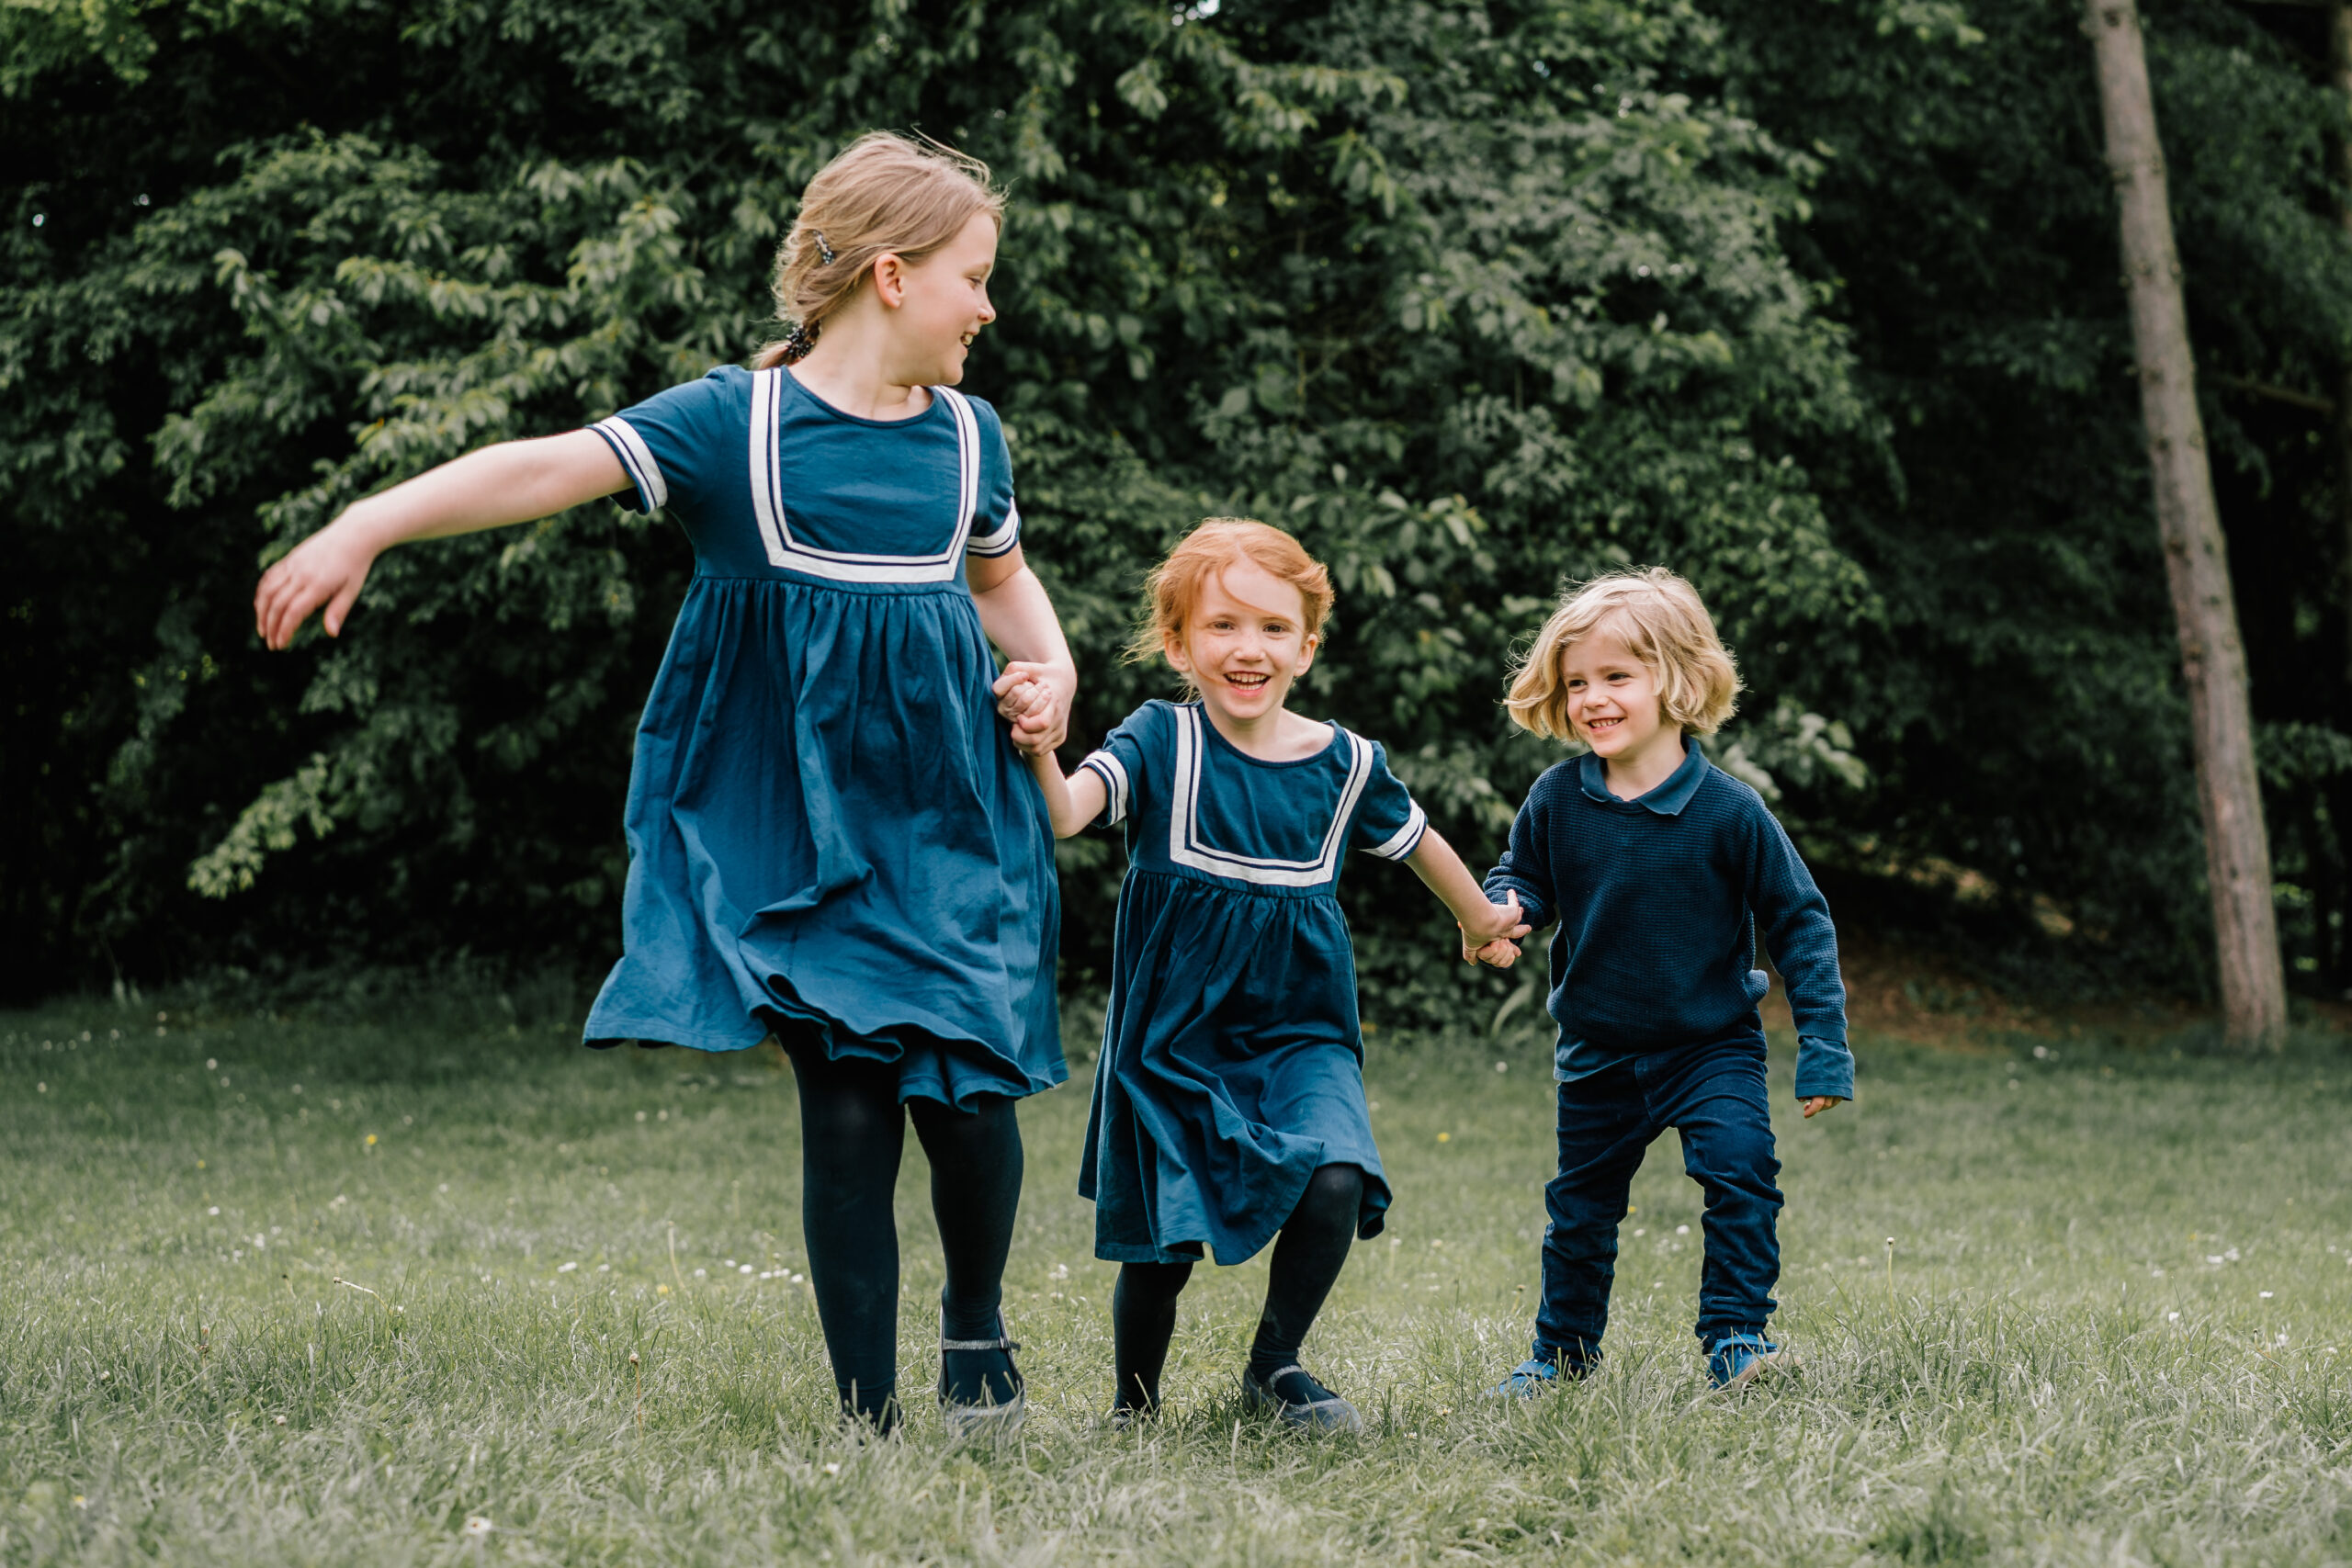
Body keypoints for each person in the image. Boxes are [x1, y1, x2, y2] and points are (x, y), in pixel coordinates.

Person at [253, 132, 1074, 1437]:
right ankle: (869, 1415)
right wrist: (368, 522)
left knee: (972, 1090)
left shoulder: (971, 441)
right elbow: (542, 465)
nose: (989, 303)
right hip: (799, 827)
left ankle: (976, 1332)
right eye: (975, 275)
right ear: (890, 275)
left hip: (949, 814)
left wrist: (1050, 681)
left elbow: (1006, 589)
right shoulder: (731, 426)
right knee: (850, 1095)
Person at [1017, 519, 1529, 1433]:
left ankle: (1273, 1369)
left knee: (1336, 1175)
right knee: (1162, 1242)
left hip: (1300, 1029)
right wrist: (1035, 743)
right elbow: (1065, 815)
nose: (1247, 648)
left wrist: (1479, 918)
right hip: (1171, 1040)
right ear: (1179, 644)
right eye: (1221, 626)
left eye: (1272, 628)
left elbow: (1419, 845)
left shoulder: (1345, 765)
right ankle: (1133, 1407)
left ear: (1306, 645)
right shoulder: (1160, 742)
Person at [1468, 568, 1849, 1396]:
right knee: (1581, 1210)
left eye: (1616, 677)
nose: (1592, 698)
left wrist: (1823, 1048)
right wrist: (1506, 913)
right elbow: (1524, 877)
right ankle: (1562, 1353)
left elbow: (1800, 921)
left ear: (1675, 681)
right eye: (1577, 682)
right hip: (1599, 1046)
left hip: (1708, 1041)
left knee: (1742, 1169)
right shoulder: (1556, 798)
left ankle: (1737, 1338)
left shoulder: (1730, 811)